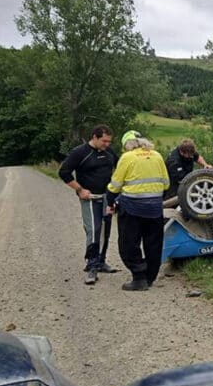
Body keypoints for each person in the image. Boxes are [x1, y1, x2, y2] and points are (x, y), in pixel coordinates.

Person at [106, 130, 169, 291]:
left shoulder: (127, 157)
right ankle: (150, 277)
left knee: (128, 244)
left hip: (132, 208)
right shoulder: (157, 155)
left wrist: (111, 202)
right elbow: (166, 184)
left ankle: (139, 277)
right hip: (155, 208)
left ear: (127, 145)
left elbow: (115, 184)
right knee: (153, 244)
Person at [58, 124, 119, 285]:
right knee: (94, 229)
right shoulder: (80, 153)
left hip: (107, 196)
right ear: (94, 137)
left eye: (109, 142)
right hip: (89, 197)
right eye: (104, 141)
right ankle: (91, 266)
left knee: (105, 230)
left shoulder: (109, 152)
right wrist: (79, 189)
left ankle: (101, 261)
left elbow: (120, 169)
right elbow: (63, 172)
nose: (107, 144)